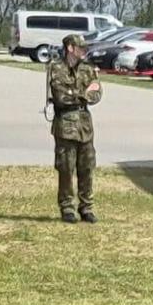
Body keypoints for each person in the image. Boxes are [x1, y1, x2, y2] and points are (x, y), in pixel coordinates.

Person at [47, 34, 102, 223]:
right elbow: (60, 96)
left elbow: (97, 93)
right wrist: (83, 93)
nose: (84, 51)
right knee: (66, 168)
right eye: (80, 47)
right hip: (65, 125)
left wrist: (80, 94)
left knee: (87, 168)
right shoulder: (56, 67)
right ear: (70, 48)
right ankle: (67, 207)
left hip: (85, 125)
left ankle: (86, 207)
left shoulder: (87, 69)